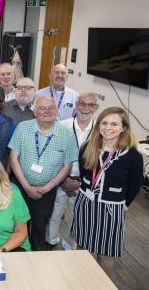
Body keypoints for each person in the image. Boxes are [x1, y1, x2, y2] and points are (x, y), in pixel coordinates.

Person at [71, 107, 142, 277]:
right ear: (98, 124)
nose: (108, 128)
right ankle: (78, 282)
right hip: (85, 204)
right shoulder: (87, 147)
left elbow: (134, 186)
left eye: (114, 124)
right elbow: (83, 173)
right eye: (104, 123)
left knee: (105, 253)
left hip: (111, 209)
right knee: (82, 247)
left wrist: (122, 207)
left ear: (123, 127)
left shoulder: (132, 156)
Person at [8, 96, 78, 250]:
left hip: (47, 190)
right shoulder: (23, 128)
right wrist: (26, 186)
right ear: (34, 111)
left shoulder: (67, 134)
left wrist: (46, 188)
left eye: (51, 108)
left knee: (40, 226)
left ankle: (37, 257)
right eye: (42, 108)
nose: (47, 111)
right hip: (20, 188)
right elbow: (13, 158)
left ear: (57, 110)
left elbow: (67, 166)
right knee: (17, 225)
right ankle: (18, 254)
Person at [46, 92, 99, 250]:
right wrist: (62, 180)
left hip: (84, 183)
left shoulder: (99, 129)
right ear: (76, 105)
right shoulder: (62, 125)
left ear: (96, 108)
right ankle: (51, 241)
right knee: (55, 214)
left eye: (90, 105)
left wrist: (80, 182)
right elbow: (52, 154)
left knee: (77, 218)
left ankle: (69, 245)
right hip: (61, 179)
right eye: (82, 104)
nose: (85, 108)